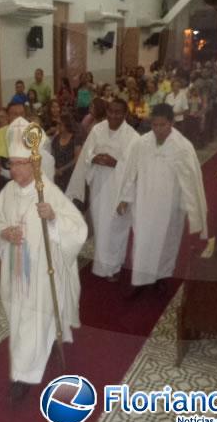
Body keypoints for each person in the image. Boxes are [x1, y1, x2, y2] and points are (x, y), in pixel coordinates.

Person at [0, 116, 87, 402]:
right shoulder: (7, 192)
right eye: (11, 163)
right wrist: (4, 232)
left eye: (20, 163)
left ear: (34, 164)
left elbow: (78, 229)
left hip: (42, 276)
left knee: (32, 323)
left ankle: (23, 377)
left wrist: (54, 218)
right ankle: (36, 354)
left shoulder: (48, 191)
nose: (14, 169)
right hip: (14, 271)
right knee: (21, 320)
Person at [117, 103, 207, 290]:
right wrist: (124, 199)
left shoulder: (182, 147)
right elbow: (130, 173)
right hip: (144, 202)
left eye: (163, 125)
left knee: (166, 242)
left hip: (170, 206)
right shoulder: (141, 143)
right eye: (154, 125)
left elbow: (191, 181)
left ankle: (161, 278)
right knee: (142, 241)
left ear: (172, 123)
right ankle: (140, 280)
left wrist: (192, 210)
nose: (158, 129)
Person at [67, 99, 140, 280]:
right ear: (106, 112)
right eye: (111, 111)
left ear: (125, 114)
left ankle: (114, 266)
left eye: (118, 113)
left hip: (120, 189)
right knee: (101, 227)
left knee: (115, 228)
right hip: (99, 184)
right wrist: (94, 158)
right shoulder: (97, 130)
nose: (114, 116)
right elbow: (85, 155)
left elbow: (136, 169)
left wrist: (115, 163)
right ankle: (102, 265)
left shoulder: (133, 137)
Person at [50, 114, 82, 192]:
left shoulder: (75, 138)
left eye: (60, 124)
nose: (58, 126)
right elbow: (52, 156)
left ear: (67, 125)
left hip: (71, 174)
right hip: (57, 174)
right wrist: (55, 169)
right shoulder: (56, 139)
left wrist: (62, 169)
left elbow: (77, 159)